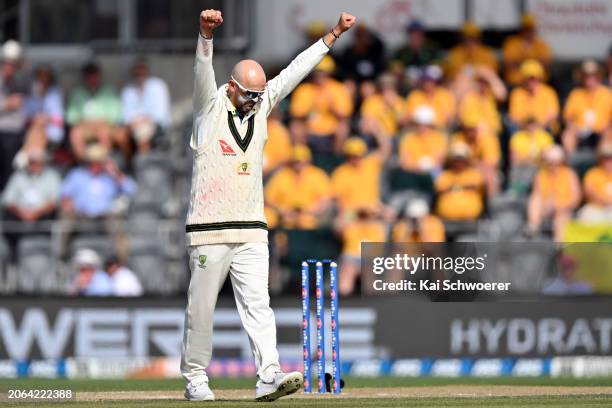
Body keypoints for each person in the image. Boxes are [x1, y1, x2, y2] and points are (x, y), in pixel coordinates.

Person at [182, 9, 355, 402]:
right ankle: (195, 378)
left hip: (252, 230)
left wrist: (333, 35)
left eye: (260, 96)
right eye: (248, 95)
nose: (254, 102)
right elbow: (201, 70)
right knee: (201, 311)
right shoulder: (208, 108)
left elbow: (296, 70)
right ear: (232, 88)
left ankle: (269, 374)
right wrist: (206, 36)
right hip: (209, 227)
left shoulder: (261, 106)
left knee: (260, 304)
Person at [59, 144, 136, 261]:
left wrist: (116, 173)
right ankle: (62, 256)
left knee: (117, 225)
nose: (96, 165)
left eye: (99, 162)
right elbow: (64, 195)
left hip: (104, 215)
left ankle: (122, 261)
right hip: (81, 214)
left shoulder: (110, 177)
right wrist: (68, 204)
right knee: (65, 220)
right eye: (93, 162)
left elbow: (132, 190)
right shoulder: (76, 175)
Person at [289, 55, 353, 154]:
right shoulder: (304, 89)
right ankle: (301, 157)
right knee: (296, 127)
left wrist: (331, 106)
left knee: (343, 128)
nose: (320, 76)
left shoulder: (338, 88)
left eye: (323, 73)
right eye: (317, 73)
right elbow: (296, 113)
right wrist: (312, 105)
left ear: (329, 73)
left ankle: (336, 159)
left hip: (331, 128)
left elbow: (344, 114)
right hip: (309, 128)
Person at [66, 62, 127, 161]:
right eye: (89, 76)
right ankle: (84, 163)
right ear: (85, 78)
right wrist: (87, 123)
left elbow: (116, 116)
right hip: (84, 127)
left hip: (105, 126)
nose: (92, 79)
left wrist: (100, 123)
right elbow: (70, 117)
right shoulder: (77, 93)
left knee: (104, 132)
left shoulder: (109, 91)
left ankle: (104, 162)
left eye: (94, 76)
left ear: (99, 76)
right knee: (75, 134)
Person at [265, 145, 331, 229]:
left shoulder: (317, 175)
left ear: (308, 161)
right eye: (296, 161)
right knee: (269, 218)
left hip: (309, 214)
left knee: (307, 222)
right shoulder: (282, 175)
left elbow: (326, 199)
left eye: (301, 161)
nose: (298, 164)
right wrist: (282, 210)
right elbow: (269, 199)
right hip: (285, 215)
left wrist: (311, 211)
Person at [527, 146, 581, 241]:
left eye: (556, 163)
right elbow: (537, 193)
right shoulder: (541, 174)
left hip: (564, 208)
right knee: (535, 199)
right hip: (545, 207)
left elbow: (576, 199)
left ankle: (559, 243)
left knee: (561, 216)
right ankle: (533, 227)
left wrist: (560, 205)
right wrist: (547, 205)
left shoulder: (569, 174)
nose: (553, 166)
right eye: (550, 162)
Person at [331, 131, 390, 215]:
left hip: (372, 208)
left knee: (390, 214)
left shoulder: (370, 164)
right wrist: (355, 209)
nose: (356, 159)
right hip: (352, 211)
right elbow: (338, 199)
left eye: (359, 155)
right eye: (352, 156)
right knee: (341, 222)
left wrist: (376, 129)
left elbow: (386, 148)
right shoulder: (340, 172)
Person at [14, 66, 64, 165]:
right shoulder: (31, 95)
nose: (42, 81)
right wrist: (35, 119)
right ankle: (28, 157)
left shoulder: (55, 94)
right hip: (33, 132)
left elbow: (59, 118)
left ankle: (24, 154)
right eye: (39, 78)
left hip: (52, 133)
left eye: (45, 78)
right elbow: (25, 116)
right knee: (37, 129)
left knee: (38, 128)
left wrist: (45, 119)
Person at [120, 58, 171, 153]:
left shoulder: (158, 86)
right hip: (133, 127)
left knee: (142, 133)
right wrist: (135, 123)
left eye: (142, 69)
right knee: (120, 135)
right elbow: (125, 117)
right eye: (137, 69)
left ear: (147, 70)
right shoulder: (128, 90)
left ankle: (143, 163)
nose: (139, 72)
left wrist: (140, 121)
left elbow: (160, 116)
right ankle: (127, 165)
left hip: (157, 126)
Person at [562, 60, 612, 153]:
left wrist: (607, 126)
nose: (589, 79)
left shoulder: (608, 94)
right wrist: (574, 127)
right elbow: (568, 117)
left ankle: (600, 162)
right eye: (586, 76)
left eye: (592, 76)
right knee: (567, 135)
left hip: (602, 131)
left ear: (598, 77)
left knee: (609, 134)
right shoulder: (576, 94)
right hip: (580, 131)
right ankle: (572, 162)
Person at [335, 205, 386, 295]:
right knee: (348, 269)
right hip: (351, 256)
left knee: (369, 271)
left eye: (366, 216)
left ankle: (370, 296)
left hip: (369, 257)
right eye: (361, 216)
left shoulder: (377, 228)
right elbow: (339, 225)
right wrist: (349, 212)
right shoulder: (351, 227)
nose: (364, 219)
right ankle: (344, 296)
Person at [0, 40, 28, 190]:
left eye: (14, 64)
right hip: (3, 133)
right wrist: (7, 105)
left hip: (17, 132)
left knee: (13, 171)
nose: (11, 67)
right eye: (8, 63)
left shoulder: (20, 80)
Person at [450, 115, 501, 196]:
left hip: (481, 170)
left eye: (473, 129)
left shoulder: (487, 138)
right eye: (468, 129)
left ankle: (493, 204)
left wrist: (472, 163)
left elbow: (492, 163)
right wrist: (474, 163)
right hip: (461, 169)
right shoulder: (458, 138)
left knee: (490, 176)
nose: (470, 132)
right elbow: (455, 161)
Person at [435, 143, 486, 221]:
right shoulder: (445, 175)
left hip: (471, 218)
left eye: (461, 160)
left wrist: (452, 187)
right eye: (456, 160)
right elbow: (440, 189)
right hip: (447, 218)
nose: (459, 163)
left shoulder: (474, 174)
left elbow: (475, 187)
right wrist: (463, 187)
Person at [508, 59, 559, 132]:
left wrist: (537, 126)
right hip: (523, 130)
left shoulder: (549, 92)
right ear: (523, 78)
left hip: (544, 129)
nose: (531, 81)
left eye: (534, 78)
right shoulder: (517, 93)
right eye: (528, 78)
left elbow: (552, 115)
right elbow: (514, 117)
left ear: (540, 77)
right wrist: (528, 126)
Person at [502, 14, 552, 86]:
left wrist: (522, 60)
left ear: (534, 30)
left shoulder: (542, 44)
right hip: (515, 84)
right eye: (526, 28)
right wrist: (534, 61)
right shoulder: (511, 43)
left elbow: (546, 64)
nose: (528, 32)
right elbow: (509, 64)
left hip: (538, 85)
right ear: (521, 29)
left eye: (530, 29)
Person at [508, 118, 554, 196]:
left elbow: (546, 155)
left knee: (533, 170)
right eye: (529, 126)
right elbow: (515, 158)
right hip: (522, 165)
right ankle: (515, 191)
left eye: (533, 126)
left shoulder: (544, 137)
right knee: (517, 170)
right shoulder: (518, 137)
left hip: (539, 166)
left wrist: (531, 159)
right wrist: (530, 159)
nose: (531, 129)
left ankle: (525, 190)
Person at [398, 105, 448, 177]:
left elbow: (440, 159)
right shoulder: (409, 139)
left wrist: (427, 165)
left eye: (426, 125)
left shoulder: (439, 139)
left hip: (432, 173)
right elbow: (404, 162)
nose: (422, 127)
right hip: (412, 173)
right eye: (419, 124)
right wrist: (416, 167)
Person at [403, 65, 455, 130]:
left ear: (436, 81)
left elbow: (449, 119)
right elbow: (407, 118)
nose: (427, 83)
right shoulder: (415, 95)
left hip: (439, 131)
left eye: (430, 81)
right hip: (417, 130)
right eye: (425, 80)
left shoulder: (445, 95)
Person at [360, 73, 405, 138]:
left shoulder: (400, 102)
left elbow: (402, 122)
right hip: (374, 135)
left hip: (395, 136)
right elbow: (367, 120)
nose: (387, 89)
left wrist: (393, 107)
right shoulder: (372, 100)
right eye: (384, 86)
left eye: (390, 86)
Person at [577, 144, 612, 222]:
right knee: (586, 215)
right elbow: (589, 193)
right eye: (606, 158)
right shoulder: (592, 173)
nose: (609, 161)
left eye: (610, 158)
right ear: (600, 159)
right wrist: (605, 201)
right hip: (596, 207)